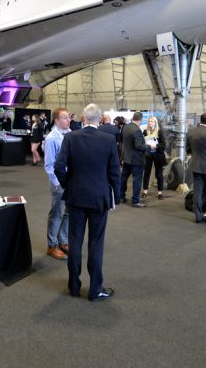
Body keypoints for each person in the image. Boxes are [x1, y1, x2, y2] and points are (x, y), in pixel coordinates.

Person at [54, 103, 120, 301]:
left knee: (75, 242)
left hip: (76, 197)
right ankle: (95, 289)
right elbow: (115, 172)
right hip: (99, 198)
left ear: (83, 118)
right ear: (99, 119)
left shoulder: (70, 137)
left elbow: (59, 167)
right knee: (96, 244)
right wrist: (114, 197)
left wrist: (68, 185)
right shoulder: (108, 139)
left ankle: (74, 286)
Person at [43, 108, 71, 260]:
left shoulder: (71, 134)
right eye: (65, 118)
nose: (68, 120)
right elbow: (49, 165)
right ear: (56, 120)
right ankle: (52, 245)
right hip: (59, 182)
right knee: (57, 213)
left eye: (68, 117)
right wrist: (56, 183)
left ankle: (63, 241)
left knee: (69, 212)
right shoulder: (52, 138)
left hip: (72, 180)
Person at [120, 112, 148, 208]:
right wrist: (149, 146)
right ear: (140, 120)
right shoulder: (137, 130)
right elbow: (139, 145)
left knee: (123, 178)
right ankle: (135, 201)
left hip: (127, 158)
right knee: (137, 180)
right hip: (136, 160)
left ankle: (121, 196)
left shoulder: (126, 127)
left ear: (133, 118)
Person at [142, 116, 166, 200]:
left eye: (151, 121)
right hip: (148, 155)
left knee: (159, 174)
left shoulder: (159, 132)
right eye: (149, 121)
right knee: (146, 173)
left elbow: (163, 145)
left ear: (155, 122)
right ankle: (145, 191)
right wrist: (148, 146)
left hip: (158, 155)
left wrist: (155, 146)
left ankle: (160, 192)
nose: (150, 123)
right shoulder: (145, 131)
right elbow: (143, 143)